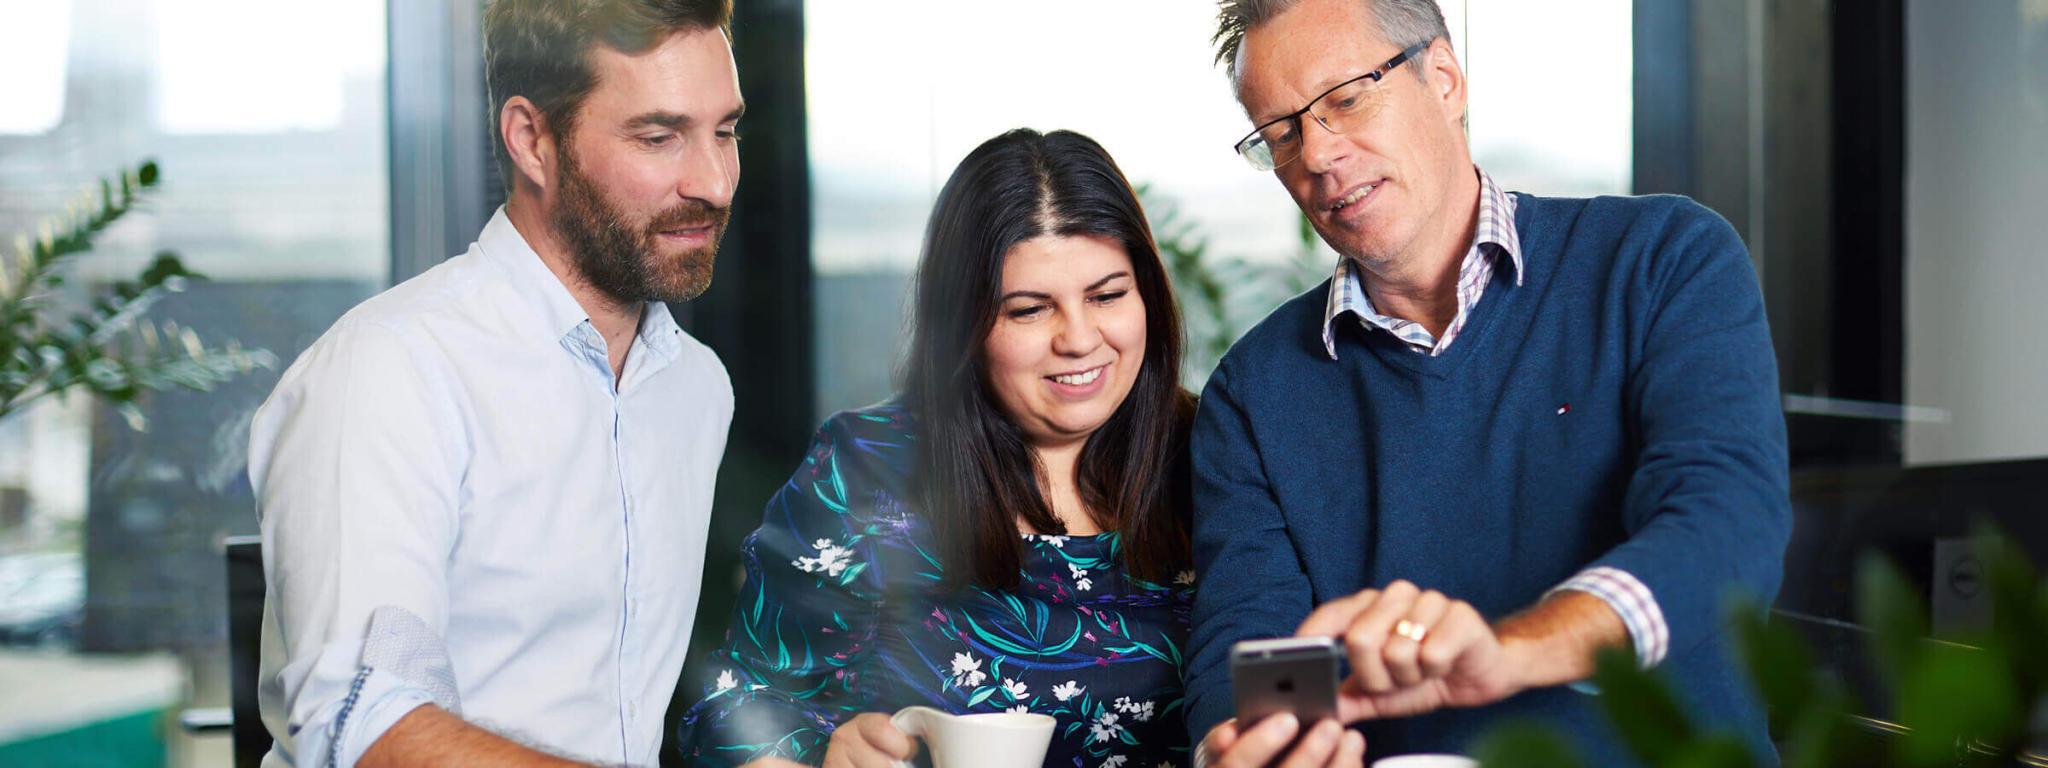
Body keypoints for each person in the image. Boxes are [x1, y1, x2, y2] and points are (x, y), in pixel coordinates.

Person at [1184, 0, 1791, 765]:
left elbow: (1725, 530)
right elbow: (1256, 641)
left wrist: (1506, 653)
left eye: (1345, 98)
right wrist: (1257, 744)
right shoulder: (1254, 392)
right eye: (1281, 132)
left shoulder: (1660, 261)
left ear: (1443, 78)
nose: (1318, 155)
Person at [246, 1, 741, 765]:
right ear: (531, 140)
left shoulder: (696, 390)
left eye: (725, 131)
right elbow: (363, 725)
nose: (712, 181)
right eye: (659, 136)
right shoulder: (389, 372)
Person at [674, 128, 1229, 768]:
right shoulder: (867, 468)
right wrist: (825, 754)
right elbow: (732, 704)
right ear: (964, 324)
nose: (1079, 338)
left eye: (1107, 296)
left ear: (1149, 298)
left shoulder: (1218, 454)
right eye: (1028, 310)